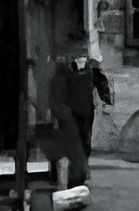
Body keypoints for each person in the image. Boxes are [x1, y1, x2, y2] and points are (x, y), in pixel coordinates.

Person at [42, 49, 110, 187]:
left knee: (84, 142)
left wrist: (105, 101)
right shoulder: (63, 71)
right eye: (79, 57)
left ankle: (80, 174)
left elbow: (102, 85)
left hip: (85, 112)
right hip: (68, 113)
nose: (81, 60)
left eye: (83, 58)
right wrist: (56, 110)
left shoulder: (92, 71)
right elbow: (56, 92)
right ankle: (63, 175)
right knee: (66, 144)